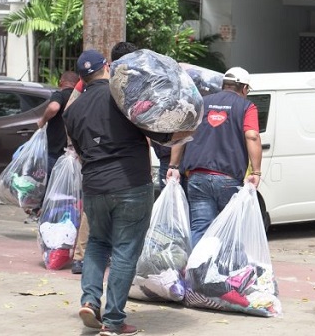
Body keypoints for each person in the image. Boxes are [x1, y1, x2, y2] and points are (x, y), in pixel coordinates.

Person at [63, 49, 193, 336]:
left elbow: (81, 151)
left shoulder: (72, 111)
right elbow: (157, 132)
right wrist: (182, 132)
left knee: (97, 243)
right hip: (130, 183)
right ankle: (113, 321)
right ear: (107, 68)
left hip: (94, 185)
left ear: (82, 78)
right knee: (124, 251)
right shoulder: (122, 96)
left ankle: (89, 299)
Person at [68, 41, 140, 275]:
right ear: (109, 65)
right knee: (123, 231)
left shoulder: (89, 81)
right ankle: (113, 305)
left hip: (95, 165)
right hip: (124, 166)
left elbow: (70, 112)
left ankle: (83, 266)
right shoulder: (125, 85)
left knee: (97, 224)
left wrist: (82, 150)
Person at [169, 66, 262, 247]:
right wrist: (256, 172)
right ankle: (224, 273)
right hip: (228, 179)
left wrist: (173, 166)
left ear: (224, 85)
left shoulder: (202, 103)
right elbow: (252, 135)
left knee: (200, 228)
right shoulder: (247, 106)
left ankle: (197, 272)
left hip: (198, 178)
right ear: (244, 88)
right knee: (230, 230)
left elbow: (181, 133)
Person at [22, 71, 79, 223]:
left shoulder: (59, 95)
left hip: (55, 151)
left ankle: (41, 212)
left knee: (47, 184)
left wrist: (42, 120)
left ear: (61, 82)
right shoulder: (80, 97)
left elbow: (53, 108)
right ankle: (61, 214)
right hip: (74, 152)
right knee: (67, 186)